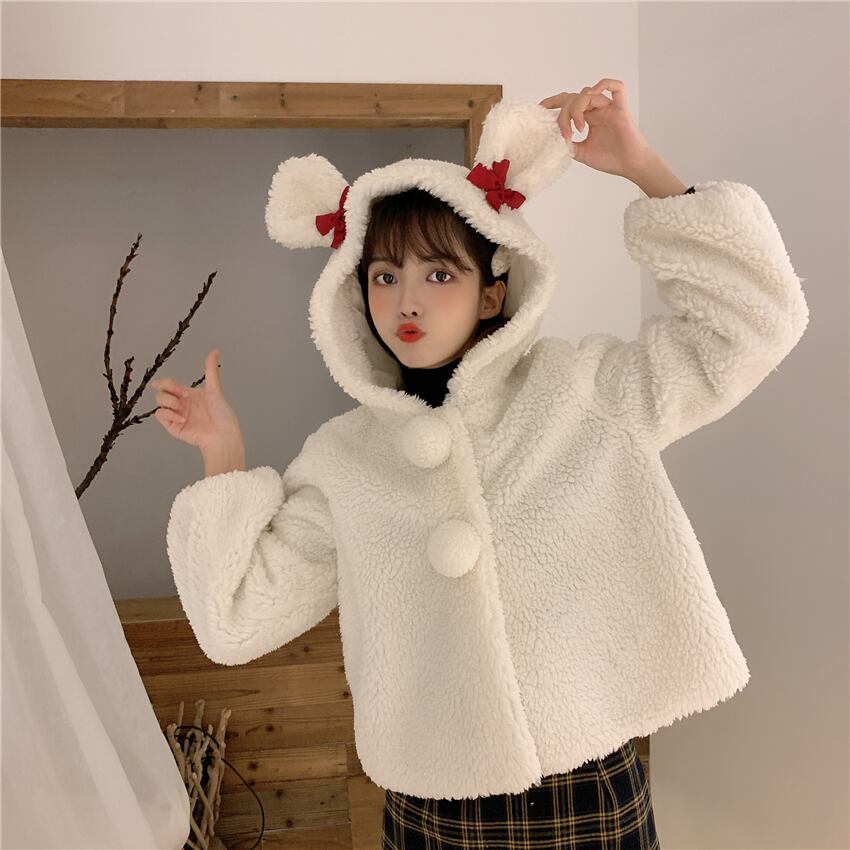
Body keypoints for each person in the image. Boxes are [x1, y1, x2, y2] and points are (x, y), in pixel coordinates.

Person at [153, 81, 809, 849]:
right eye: (384, 275)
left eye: (439, 274)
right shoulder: (342, 459)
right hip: (432, 810)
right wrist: (223, 456)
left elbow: (754, 324)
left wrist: (644, 167)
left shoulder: (580, 391)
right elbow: (237, 622)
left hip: (586, 789)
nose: (408, 300)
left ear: (492, 294)